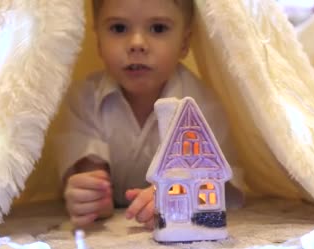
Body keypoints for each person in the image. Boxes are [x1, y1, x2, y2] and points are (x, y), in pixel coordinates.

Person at [55, 0, 242, 228]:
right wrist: (91, 196)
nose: (137, 44)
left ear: (184, 42)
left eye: (158, 28)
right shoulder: (84, 99)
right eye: (119, 28)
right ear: (98, 42)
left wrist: (177, 195)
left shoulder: (202, 106)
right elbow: (90, 177)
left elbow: (220, 185)